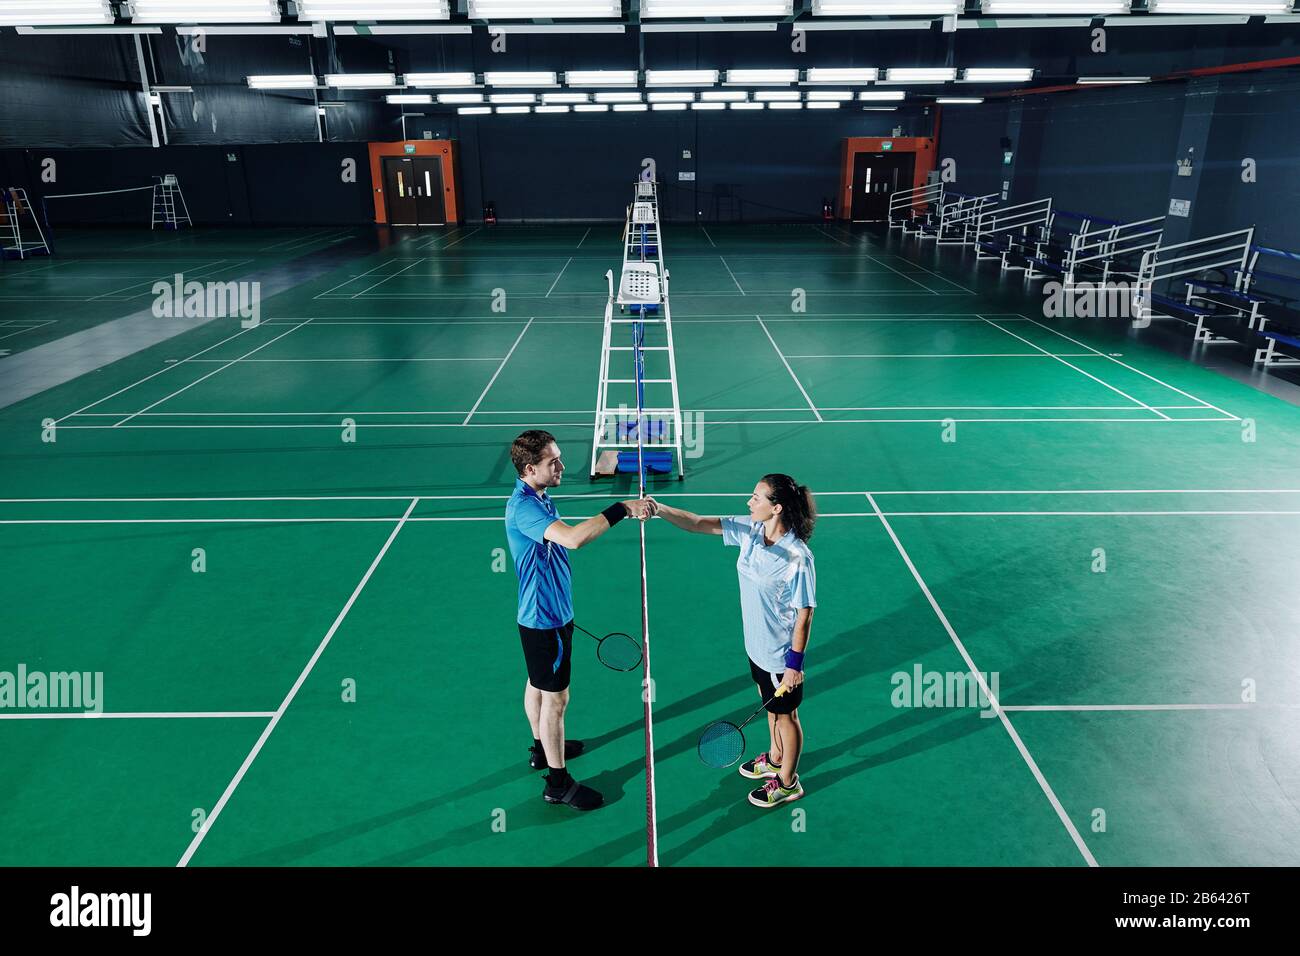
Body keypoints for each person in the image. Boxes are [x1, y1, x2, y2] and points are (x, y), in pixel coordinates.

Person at [646, 475, 816, 808]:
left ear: (776, 507)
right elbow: (696, 523)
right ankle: (776, 756)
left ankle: (787, 783)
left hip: (780, 656)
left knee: (786, 717)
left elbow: (804, 613)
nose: (748, 502)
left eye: (756, 498)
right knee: (770, 708)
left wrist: (794, 664)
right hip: (755, 645)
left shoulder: (797, 556)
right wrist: (659, 509)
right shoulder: (751, 531)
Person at [505, 429, 652, 811]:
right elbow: (573, 539)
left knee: (537, 685)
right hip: (543, 619)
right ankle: (557, 782)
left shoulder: (538, 496)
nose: (562, 466)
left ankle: (542, 747)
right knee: (557, 699)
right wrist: (621, 508)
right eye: (552, 461)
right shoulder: (526, 508)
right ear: (528, 469)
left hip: (548, 613)